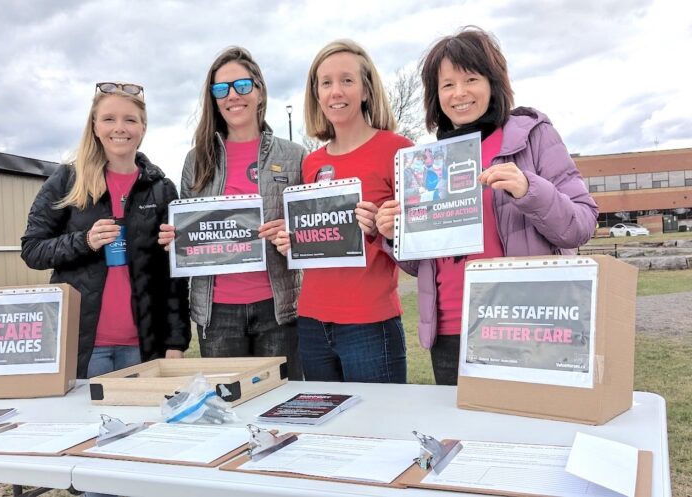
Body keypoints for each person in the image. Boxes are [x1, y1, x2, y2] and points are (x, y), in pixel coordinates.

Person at [375, 26, 599, 385]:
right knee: (462, 438)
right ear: (436, 95)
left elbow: (581, 225)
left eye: (470, 79)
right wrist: (395, 235)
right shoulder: (428, 161)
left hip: (525, 325)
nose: (459, 93)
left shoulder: (532, 135)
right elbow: (423, 268)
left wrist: (530, 190)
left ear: (493, 83)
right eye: (447, 85)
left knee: (526, 435)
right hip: (449, 329)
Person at [22, 82, 191, 380]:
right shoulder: (68, 180)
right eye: (109, 119)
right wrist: (84, 241)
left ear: (143, 127)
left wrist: (176, 342)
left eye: (130, 119)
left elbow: (173, 276)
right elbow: (33, 250)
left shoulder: (161, 188)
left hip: (144, 346)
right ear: (95, 125)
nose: (120, 128)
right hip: (86, 347)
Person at [158, 47, 306, 380]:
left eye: (241, 85)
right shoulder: (196, 160)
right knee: (229, 410)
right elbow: (187, 231)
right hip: (217, 311)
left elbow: (307, 228)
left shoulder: (294, 155)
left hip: (277, 308)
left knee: (282, 404)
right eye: (221, 89)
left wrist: (291, 232)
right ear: (213, 98)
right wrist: (176, 239)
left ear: (259, 90)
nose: (232, 96)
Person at [274, 40, 412, 383]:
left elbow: (419, 247)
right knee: (328, 434)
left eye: (347, 80)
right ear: (317, 94)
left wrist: (384, 229)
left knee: (378, 432)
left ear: (366, 90)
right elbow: (317, 240)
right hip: (312, 322)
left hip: (370, 322)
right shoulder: (312, 163)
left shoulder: (398, 150)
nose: (336, 91)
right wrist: (293, 241)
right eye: (326, 82)